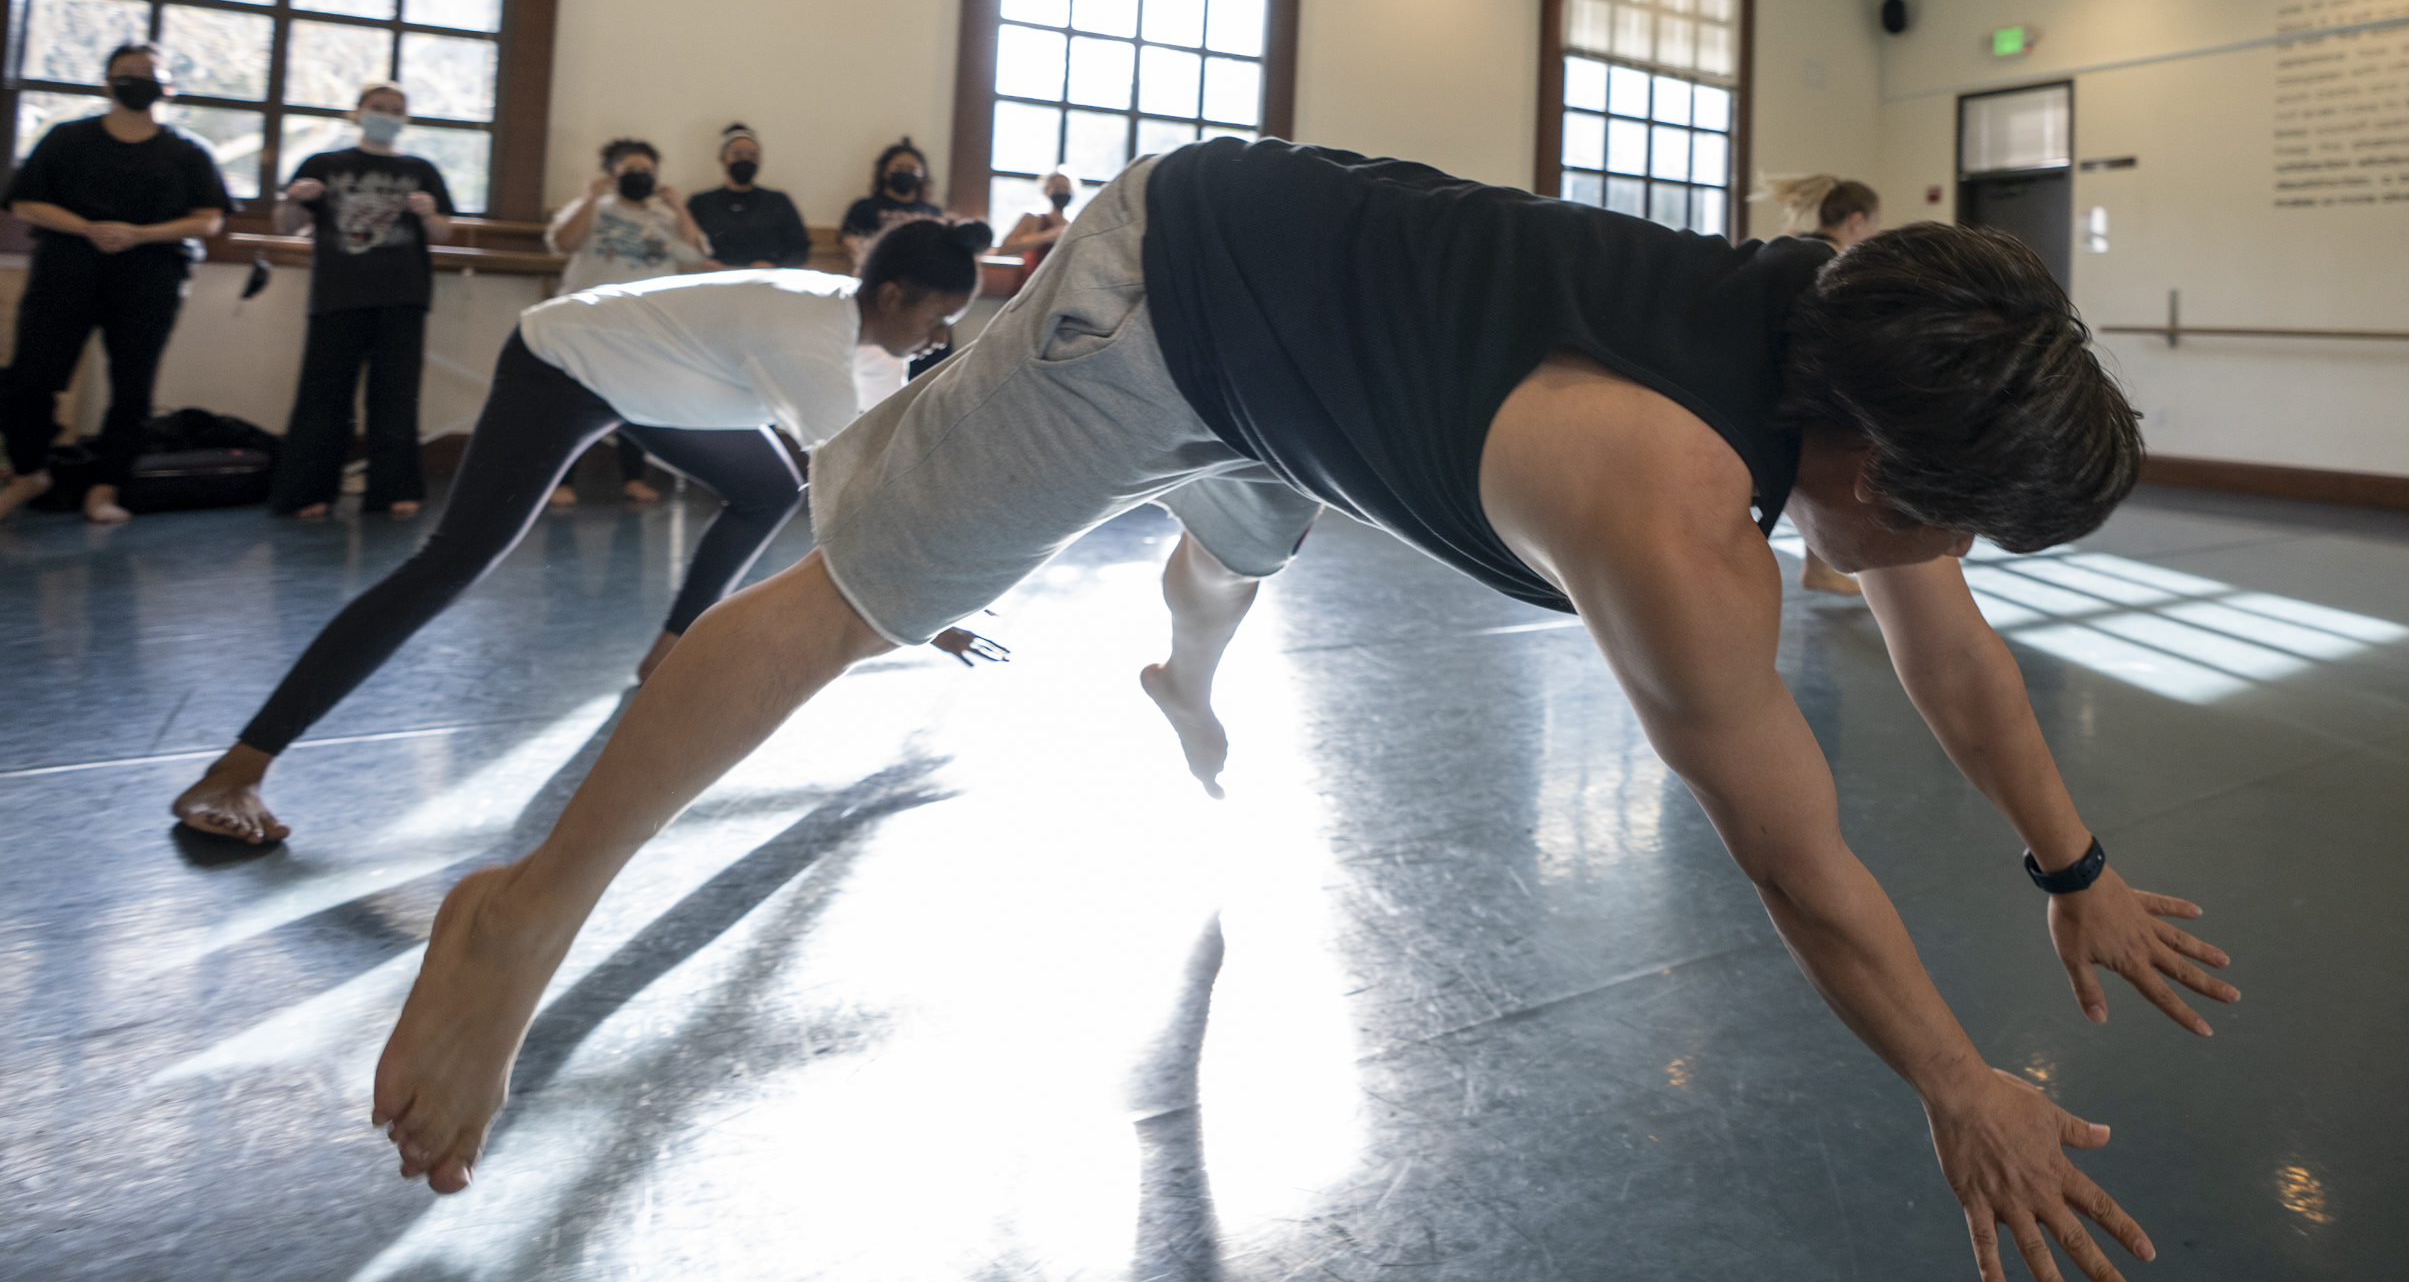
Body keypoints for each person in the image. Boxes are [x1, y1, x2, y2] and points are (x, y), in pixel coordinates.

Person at [371, 140, 2234, 1282]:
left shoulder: (1858, 339)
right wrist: (1959, 1081)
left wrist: (2072, 862)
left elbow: (1951, 645)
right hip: (1182, 298)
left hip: (1324, 370)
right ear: (1877, 452)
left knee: (1235, 554)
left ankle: (1182, 665)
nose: (1950, 551)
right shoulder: (1671, 521)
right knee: (850, 605)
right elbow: (1801, 862)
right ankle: (521, 911)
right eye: (1958, 513)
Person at [170, 218, 988, 845]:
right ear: (894, 295)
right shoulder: (807, 336)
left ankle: (668, 650)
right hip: (564, 362)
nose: (940, 335)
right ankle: (234, 770)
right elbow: (847, 497)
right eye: (941, 315)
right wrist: (925, 606)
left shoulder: (873, 347)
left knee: (759, 486)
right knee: (451, 564)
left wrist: (946, 560)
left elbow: (887, 470)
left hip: (656, 382)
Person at [0, 43, 233, 526]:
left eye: (146, 73)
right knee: (30, 378)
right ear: (106, 82)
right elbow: (24, 203)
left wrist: (139, 233)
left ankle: (106, 487)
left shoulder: (189, 152)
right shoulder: (66, 139)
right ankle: (28, 472)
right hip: (65, 272)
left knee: (132, 386)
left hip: (150, 278)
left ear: (166, 86)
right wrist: (88, 227)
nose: (135, 79)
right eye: (124, 72)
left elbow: (209, 220)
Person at [269, 82, 456, 520]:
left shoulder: (421, 169)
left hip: (403, 296)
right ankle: (308, 491)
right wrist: (294, 200)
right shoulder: (323, 164)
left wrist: (429, 214)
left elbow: (444, 232)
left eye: (396, 109)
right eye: (378, 107)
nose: (386, 115)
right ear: (356, 113)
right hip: (338, 295)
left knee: (396, 396)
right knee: (323, 397)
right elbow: (286, 226)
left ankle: (393, 490)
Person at [545, 139, 712, 505]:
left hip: (641, 325)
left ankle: (633, 478)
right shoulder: (594, 209)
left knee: (632, 403)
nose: (640, 177)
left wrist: (678, 206)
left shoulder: (663, 220)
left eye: (647, 172)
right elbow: (564, 242)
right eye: (631, 171)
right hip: (586, 322)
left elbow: (696, 254)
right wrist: (590, 198)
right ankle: (563, 481)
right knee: (576, 403)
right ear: (612, 174)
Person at [1763, 176, 1887, 594]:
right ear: (1856, 220)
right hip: (1789, 393)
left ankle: (1820, 568)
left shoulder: (1790, 248)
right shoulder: (1831, 265)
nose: (1871, 234)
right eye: (1872, 225)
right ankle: (1824, 568)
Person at [686, 124, 812, 270]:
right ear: (722, 158)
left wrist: (774, 266)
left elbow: (799, 250)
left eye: (752, 155)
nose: (745, 160)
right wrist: (701, 263)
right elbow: (685, 246)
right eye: (737, 154)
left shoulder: (778, 201)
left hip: (765, 284)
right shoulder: (701, 202)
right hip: (714, 283)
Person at [838, 137, 942, 271]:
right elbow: (851, 244)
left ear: (922, 175)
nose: (905, 172)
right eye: (899, 167)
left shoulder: (933, 213)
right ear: (884, 171)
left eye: (912, 169)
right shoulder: (863, 207)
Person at [997, 165, 1076, 265]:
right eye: (1057, 187)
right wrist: (1046, 236)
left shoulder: (1073, 226)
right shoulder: (1032, 219)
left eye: (1066, 188)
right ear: (1046, 191)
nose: (1062, 192)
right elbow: (1004, 249)